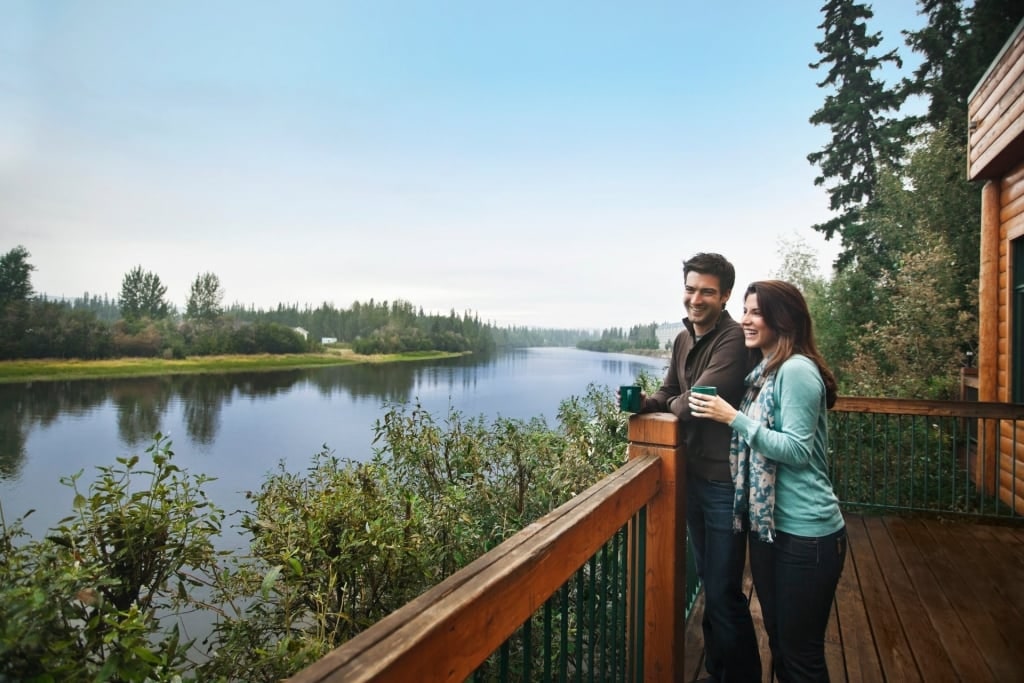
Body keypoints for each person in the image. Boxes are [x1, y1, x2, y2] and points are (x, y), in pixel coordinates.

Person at [688, 280, 846, 682]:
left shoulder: (795, 370)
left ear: (784, 319)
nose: (746, 320)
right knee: (782, 644)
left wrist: (732, 418)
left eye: (757, 312)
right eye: (745, 310)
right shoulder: (766, 371)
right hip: (773, 530)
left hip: (808, 535)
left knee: (800, 657)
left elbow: (796, 449)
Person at [635, 252, 762, 682]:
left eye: (707, 291)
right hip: (693, 477)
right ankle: (717, 670)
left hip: (724, 482)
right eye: (691, 289)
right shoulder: (683, 338)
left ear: (724, 295)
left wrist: (670, 404)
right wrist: (644, 404)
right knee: (711, 581)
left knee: (725, 590)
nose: (696, 298)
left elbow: (700, 400)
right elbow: (672, 390)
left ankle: (740, 676)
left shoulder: (730, 339)